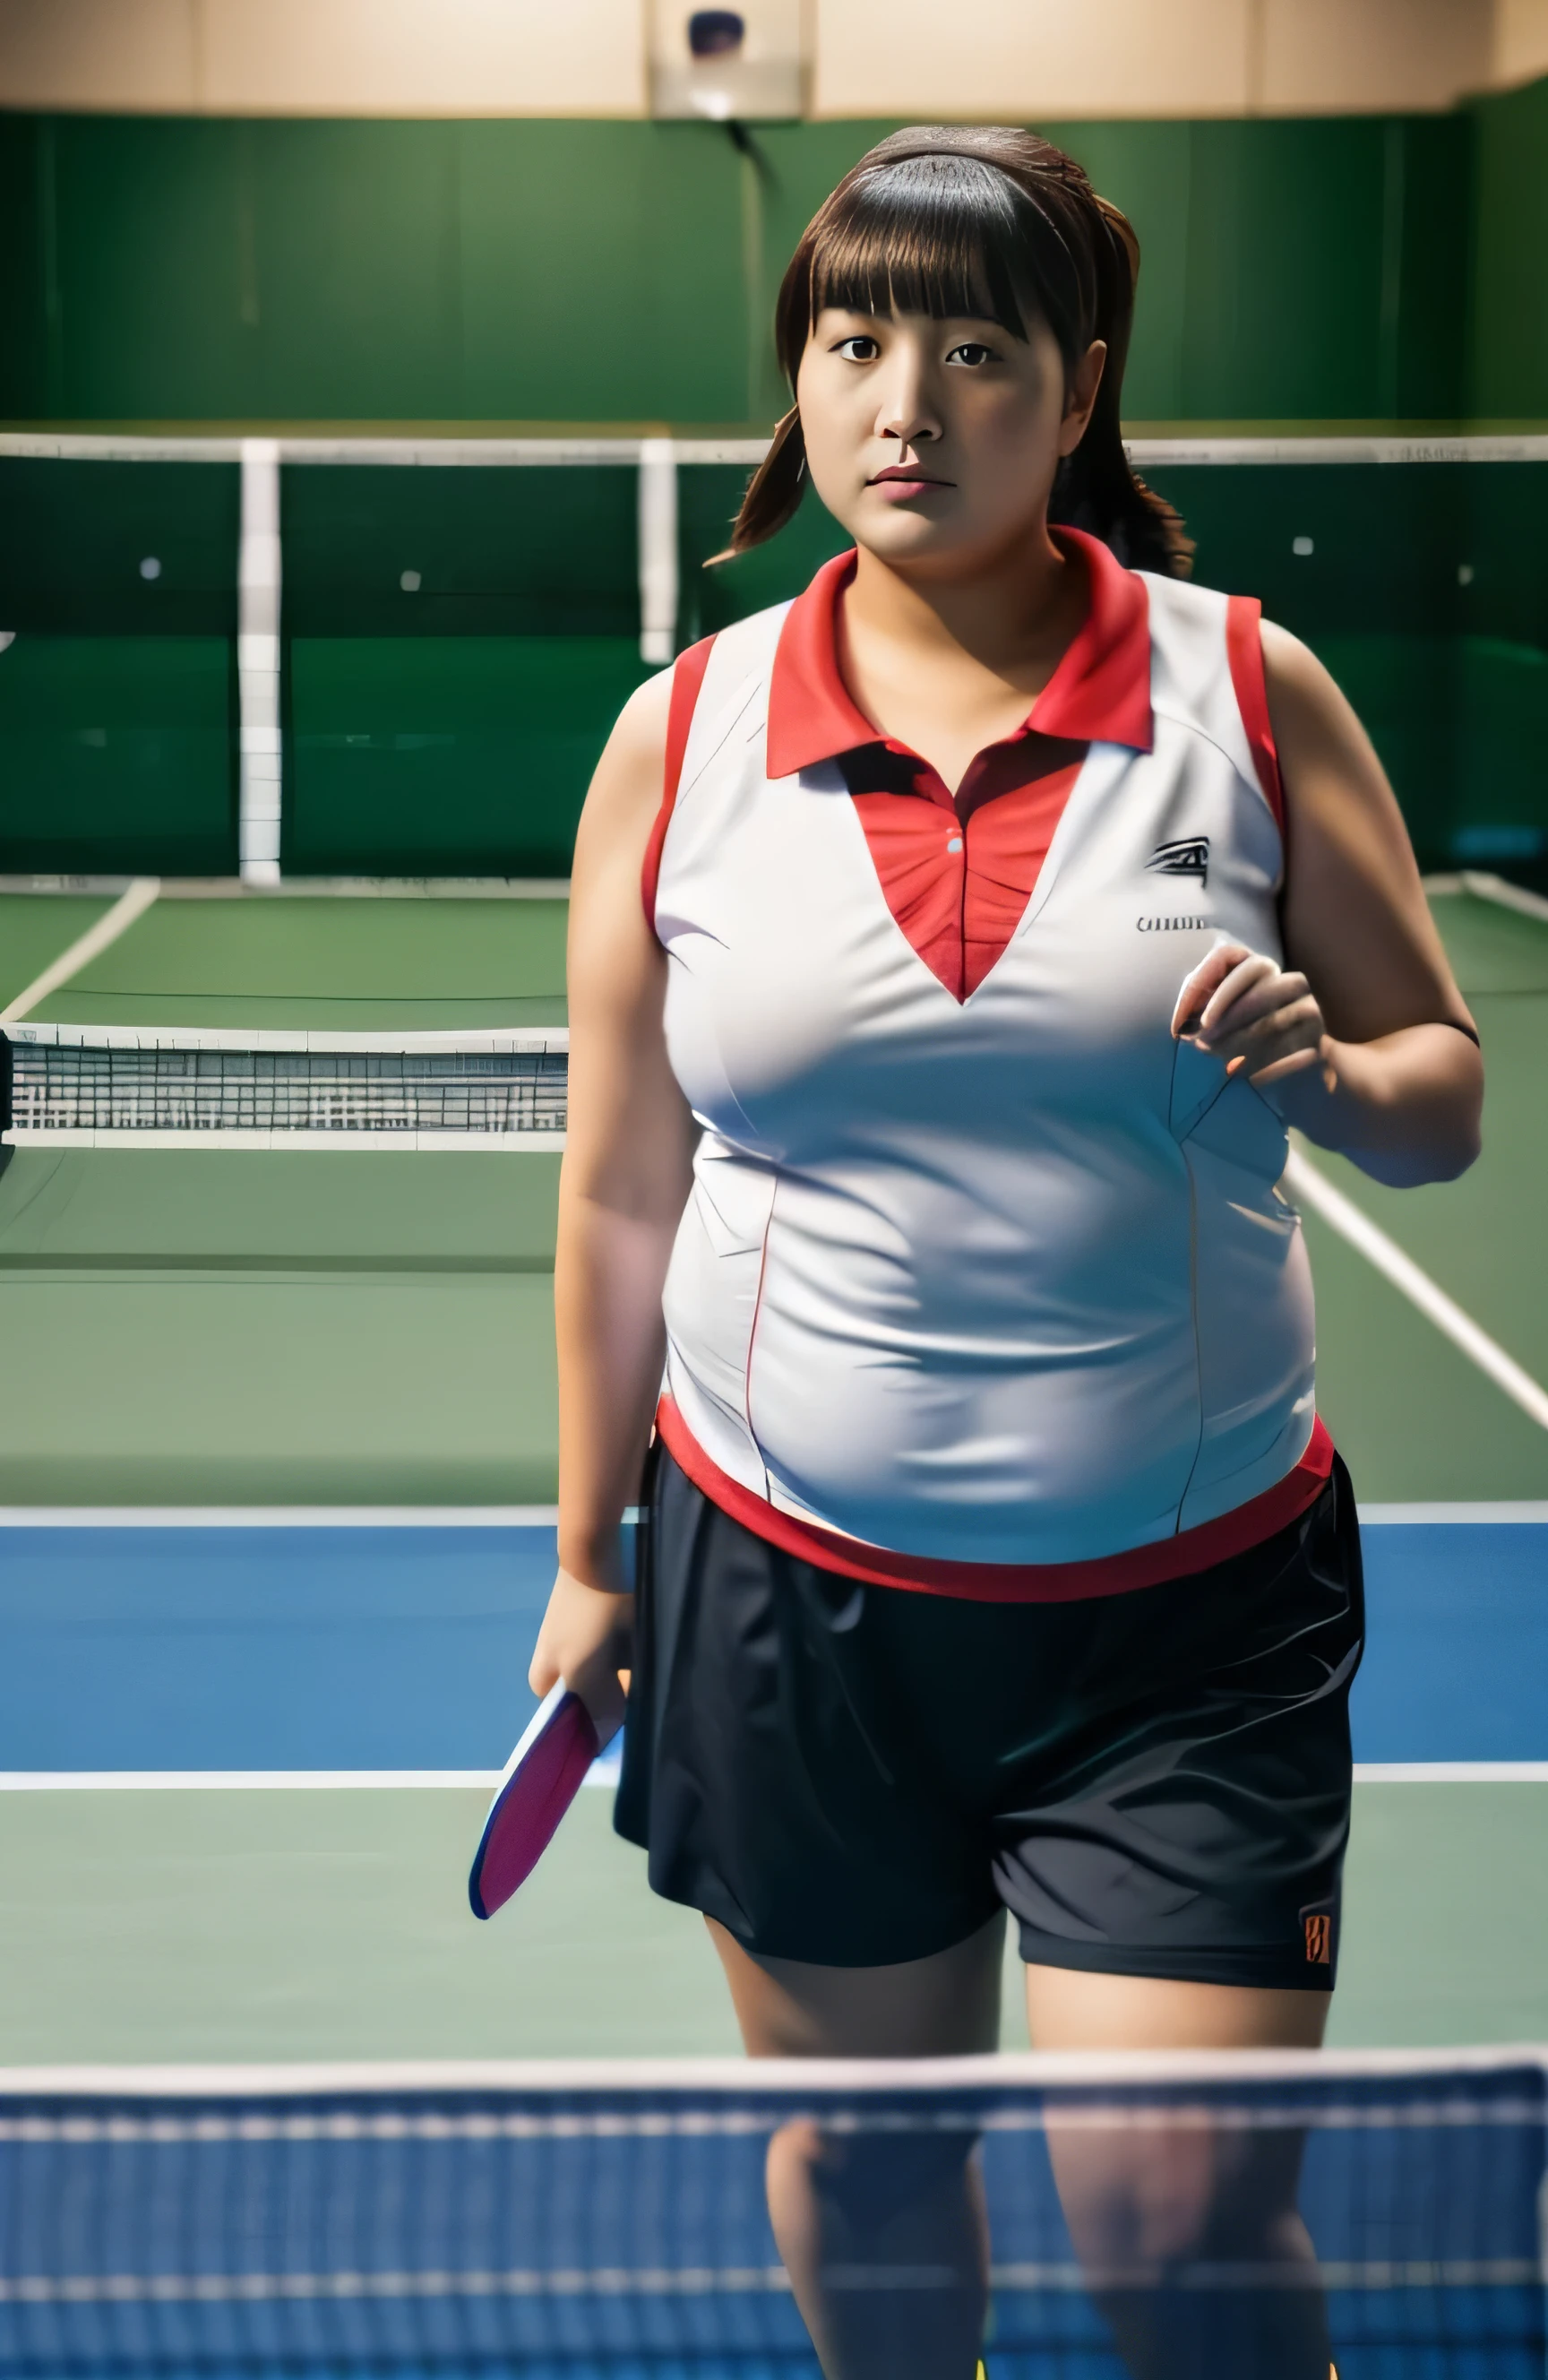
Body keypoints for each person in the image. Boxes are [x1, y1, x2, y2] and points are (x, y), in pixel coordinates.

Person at [530, 126, 1483, 2379]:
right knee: (867, 2168)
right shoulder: (683, 736)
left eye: (977, 348)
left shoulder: (1249, 694)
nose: (907, 401)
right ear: (802, 383)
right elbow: (617, 1185)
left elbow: (1442, 1081)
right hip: (789, 1598)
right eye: (855, 343)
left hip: (1185, 1625)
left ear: (1078, 388)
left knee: (1176, 2222)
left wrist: (1334, 1080)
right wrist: (593, 1552)